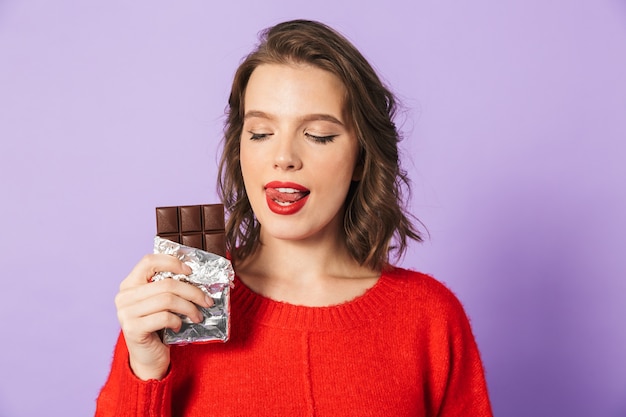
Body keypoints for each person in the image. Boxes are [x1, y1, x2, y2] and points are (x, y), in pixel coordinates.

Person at [95, 19, 493, 416]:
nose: (283, 157)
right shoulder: (177, 306)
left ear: (362, 157)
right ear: (239, 149)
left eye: (318, 135)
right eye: (261, 133)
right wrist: (146, 369)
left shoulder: (429, 318)